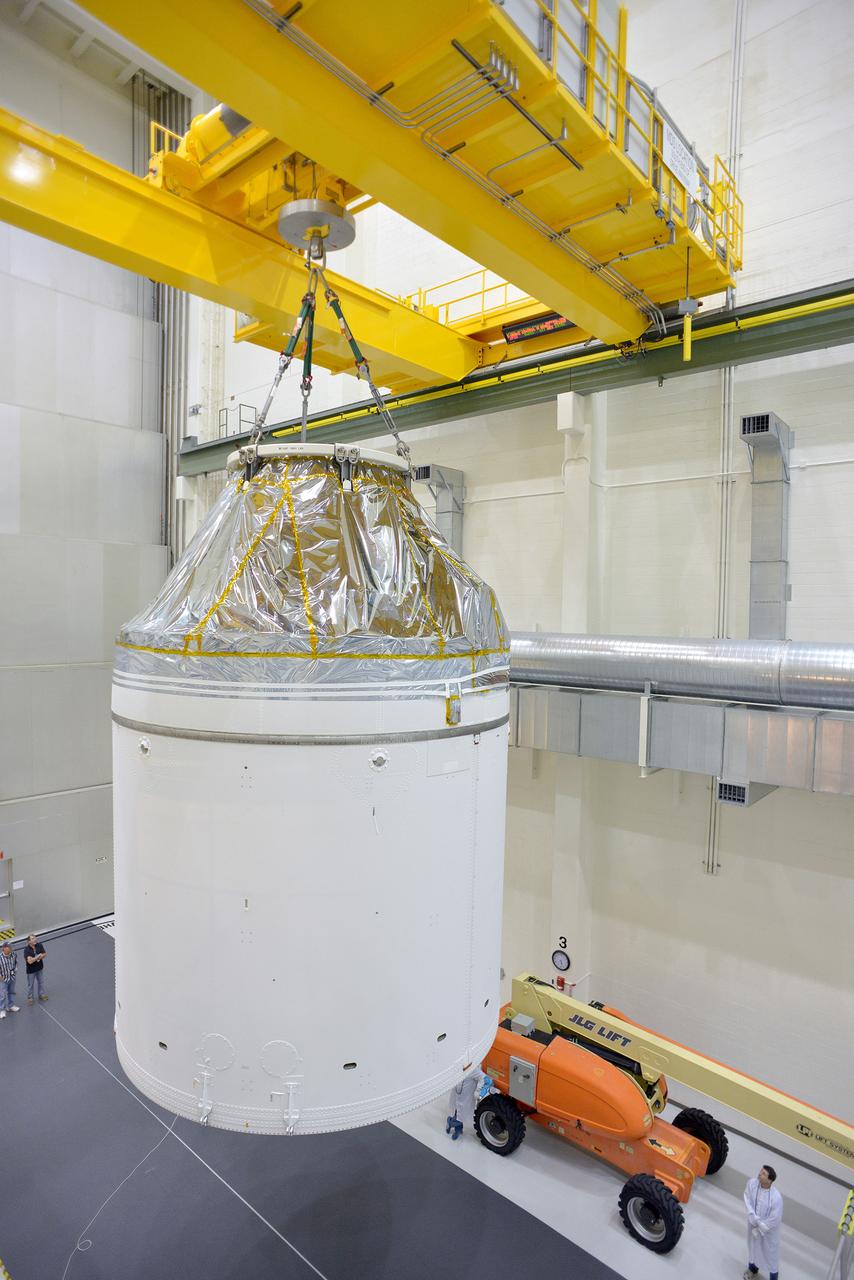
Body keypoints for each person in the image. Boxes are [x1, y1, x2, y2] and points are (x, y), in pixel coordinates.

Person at [744, 1163, 783, 1280]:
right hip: (753, 1224)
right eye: (761, 1172)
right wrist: (754, 1219)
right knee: (753, 1248)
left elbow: (775, 1218)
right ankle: (752, 1270)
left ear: (770, 1180)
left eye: (763, 1174)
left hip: (768, 1232)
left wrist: (761, 1226)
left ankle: (773, 1278)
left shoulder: (776, 1198)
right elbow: (747, 1198)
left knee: (770, 1255)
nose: (759, 1174)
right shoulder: (752, 1183)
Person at [446, 1069, 492, 1140]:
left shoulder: (472, 1070)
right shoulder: (457, 1067)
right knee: (455, 1114)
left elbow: (486, 1080)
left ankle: (458, 1130)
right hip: (456, 1095)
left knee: (461, 1116)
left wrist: (478, 1091)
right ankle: (450, 1123)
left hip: (465, 1099)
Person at [24, 934, 47, 1004]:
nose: (35, 939)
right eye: (33, 939)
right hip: (31, 971)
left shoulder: (39, 945)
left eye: (35, 938)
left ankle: (41, 995)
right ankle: (30, 998)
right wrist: (38, 957)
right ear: (29, 941)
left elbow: (45, 954)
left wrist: (37, 957)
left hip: (39, 968)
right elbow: (29, 961)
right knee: (30, 985)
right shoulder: (26, 950)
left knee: (41, 982)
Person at [0, 940, 20, 1018]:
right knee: (2, 995)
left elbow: (16, 963)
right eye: (9, 947)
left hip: (12, 977)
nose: (11, 949)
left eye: (11, 947)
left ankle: (11, 1006)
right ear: (4, 948)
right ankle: (2, 1010)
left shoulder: (14, 954)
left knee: (12, 992)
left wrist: (15, 970)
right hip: (3, 980)